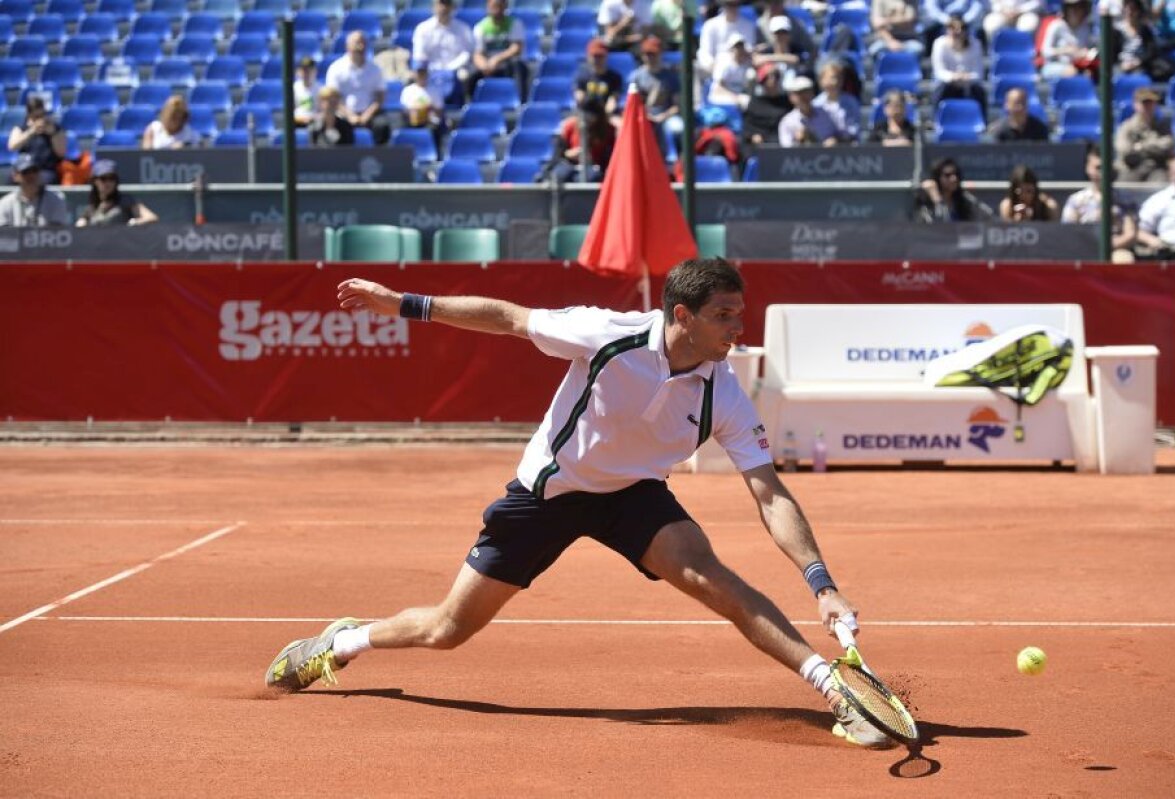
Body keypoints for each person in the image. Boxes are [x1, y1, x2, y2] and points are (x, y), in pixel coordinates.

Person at [265, 258, 893, 752]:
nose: (738, 328)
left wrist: (822, 583)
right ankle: (347, 642)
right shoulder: (606, 334)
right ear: (684, 315)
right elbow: (511, 318)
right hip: (549, 495)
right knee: (446, 630)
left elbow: (769, 492)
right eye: (726, 315)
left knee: (712, 578)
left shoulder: (723, 392)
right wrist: (403, 304)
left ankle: (831, 685)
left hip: (633, 497)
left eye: (739, 313)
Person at [1062, 143, 1138, 262]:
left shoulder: (1125, 199)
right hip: (1083, 252)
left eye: (1106, 167)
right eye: (1098, 168)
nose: (1102, 173)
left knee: (1124, 260)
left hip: (1117, 249)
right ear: (1087, 168)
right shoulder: (1076, 200)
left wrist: (1106, 246)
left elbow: (1131, 234)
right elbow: (1069, 234)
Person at [325, 30, 391, 145]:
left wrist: (367, 114)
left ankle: (379, 158)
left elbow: (380, 96)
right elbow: (333, 98)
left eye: (363, 43)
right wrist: (349, 115)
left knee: (382, 126)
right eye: (356, 43)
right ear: (347, 46)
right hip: (344, 114)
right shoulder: (336, 68)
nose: (360, 46)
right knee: (336, 128)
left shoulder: (375, 69)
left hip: (370, 114)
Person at [1136, 154, 1175, 259]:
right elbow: (1139, 231)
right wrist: (1154, 241)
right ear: (1170, 175)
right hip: (1171, 253)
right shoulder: (1159, 200)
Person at [541, 96, 617, 183]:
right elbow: (557, 155)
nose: (585, 120)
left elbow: (610, 159)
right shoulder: (569, 127)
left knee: (591, 178)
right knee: (559, 175)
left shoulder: (608, 130)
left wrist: (590, 159)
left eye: (590, 116)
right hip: (570, 165)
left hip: (594, 169)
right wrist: (569, 155)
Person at [629, 36, 682, 158]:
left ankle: (676, 164)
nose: (650, 57)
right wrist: (646, 115)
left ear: (660, 54)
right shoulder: (636, 77)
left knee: (677, 128)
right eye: (647, 54)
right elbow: (633, 105)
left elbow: (676, 106)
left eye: (653, 54)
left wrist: (662, 117)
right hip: (643, 116)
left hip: (666, 115)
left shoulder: (670, 76)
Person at [467, 0, 528, 101]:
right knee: (471, 76)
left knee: (519, 66)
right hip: (490, 68)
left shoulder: (514, 23)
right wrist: (484, 66)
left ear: (505, 6)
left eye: (499, 5)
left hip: (508, 66)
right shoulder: (481, 27)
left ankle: (521, 101)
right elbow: (477, 54)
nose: (497, 9)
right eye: (494, 6)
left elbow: (516, 48)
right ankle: (471, 104)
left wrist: (497, 59)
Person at [930, 14, 987, 115]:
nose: (957, 32)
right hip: (948, 84)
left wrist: (966, 77)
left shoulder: (976, 44)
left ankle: (982, 122)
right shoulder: (939, 44)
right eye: (952, 28)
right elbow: (939, 72)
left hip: (968, 84)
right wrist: (954, 77)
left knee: (979, 91)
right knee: (940, 90)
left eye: (961, 28)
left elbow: (978, 73)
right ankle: (936, 121)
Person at [1116, 86, 1175, 182]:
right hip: (1133, 168)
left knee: (1161, 183)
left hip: (1156, 168)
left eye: (1151, 103)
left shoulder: (1162, 125)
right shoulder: (1127, 126)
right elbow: (1125, 150)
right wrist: (1154, 145)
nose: (1148, 106)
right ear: (1135, 105)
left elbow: (1168, 144)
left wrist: (1141, 146)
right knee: (1123, 186)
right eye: (1144, 103)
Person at [75, 159, 158, 227]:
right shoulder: (92, 207)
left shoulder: (126, 201)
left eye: (112, 178)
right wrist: (81, 224)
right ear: (95, 181)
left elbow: (151, 217)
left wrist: (135, 222)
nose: (108, 183)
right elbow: (80, 224)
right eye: (103, 179)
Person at [7, 97, 66, 186]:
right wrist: (31, 132)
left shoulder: (55, 129)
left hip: (46, 169)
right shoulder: (21, 129)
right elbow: (12, 146)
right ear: (29, 116)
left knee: (40, 181)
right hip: (24, 168)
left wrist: (53, 134)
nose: (40, 119)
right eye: (36, 117)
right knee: (10, 180)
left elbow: (61, 152)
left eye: (42, 115)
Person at [913, 157, 992, 222]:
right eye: (947, 175)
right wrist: (937, 200)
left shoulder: (964, 199)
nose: (954, 179)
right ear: (937, 178)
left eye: (956, 174)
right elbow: (939, 227)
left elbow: (988, 215)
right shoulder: (926, 204)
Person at [0, 153, 69, 227]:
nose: (31, 175)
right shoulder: (5, 203)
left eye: (34, 171)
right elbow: (3, 235)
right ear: (15, 176)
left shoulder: (56, 200)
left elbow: (58, 232)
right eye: (25, 172)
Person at [778, 74, 846, 147]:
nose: (803, 96)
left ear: (812, 93)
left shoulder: (828, 114)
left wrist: (835, 140)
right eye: (799, 93)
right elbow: (785, 151)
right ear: (791, 97)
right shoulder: (787, 122)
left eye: (806, 91)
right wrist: (798, 141)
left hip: (829, 157)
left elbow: (844, 136)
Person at [697, 0, 757, 79]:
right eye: (729, 4)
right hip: (716, 72)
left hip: (743, 71)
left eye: (735, 4)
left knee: (752, 75)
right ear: (723, 5)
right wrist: (715, 68)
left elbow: (749, 50)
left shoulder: (749, 26)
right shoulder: (710, 25)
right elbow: (704, 54)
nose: (732, 8)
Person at [741, 64, 792, 155]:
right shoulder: (754, 102)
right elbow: (748, 125)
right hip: (760, 143)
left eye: (775, 76)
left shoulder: (787, 101)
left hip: (782, 141)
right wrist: (752, 136)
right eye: (768, 77)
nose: (772, 80)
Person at [1039, 0, 1097, 80]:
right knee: (1071, 72)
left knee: (1089, 74)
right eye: (1071, 8)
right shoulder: (1057, 25)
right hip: (1054, 65)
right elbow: (1045, 52)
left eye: (1079, 7)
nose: (1075, 11)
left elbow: (1092, 49)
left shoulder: (1087, 27)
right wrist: (1065, 50)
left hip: (1079, 66)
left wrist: (1084, 53)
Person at [575, 39, 624, 116]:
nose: (597, 60)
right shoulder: (581, 76)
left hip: (607, 115)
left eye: (600, 56)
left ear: (606, 56)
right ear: (588, 57)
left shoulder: (615, 77)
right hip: (586, 114)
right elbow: (579, 97)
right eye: (595, 56)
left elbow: (613, 101)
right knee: (567, 125)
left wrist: (603, 116)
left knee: (619, 125)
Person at [814, 61, 861, 142]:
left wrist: (839, 139)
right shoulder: (815, 104)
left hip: (847, 146)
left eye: (839, 78)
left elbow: (854, 129)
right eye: (832, 78)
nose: (836, 82)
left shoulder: (851, 101)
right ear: (821, 80)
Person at [707, 34, 756, 106]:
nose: (739, 49)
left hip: (738, 96)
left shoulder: (746, 64)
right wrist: (735, 97)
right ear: (731, 49)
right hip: (721, 97)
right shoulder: (725, 64)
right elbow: (718, 89)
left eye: (741, 46)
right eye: (737, 47)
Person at [293, 56, 319, 126]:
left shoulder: (320, 89)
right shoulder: (294, 88)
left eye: (309, 70)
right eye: (303, 70)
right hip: (297, 124)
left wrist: (313, 118)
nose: (306, 73)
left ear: (315, 71)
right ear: (298, 72)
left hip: (315, 123)